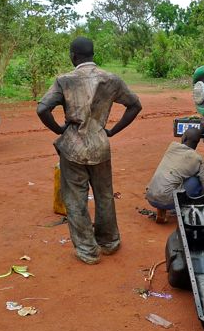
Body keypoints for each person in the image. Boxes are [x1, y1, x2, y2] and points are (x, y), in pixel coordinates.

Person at [37, 36, 142, 265]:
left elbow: (43, 109)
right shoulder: (111, 79)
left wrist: (59, 129)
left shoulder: (65, 80)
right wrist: (112, 131)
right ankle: (109, 242)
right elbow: (135, 105)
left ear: (73, 56)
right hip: (100, 145)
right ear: (93, 55)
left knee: (75, 200)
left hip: (73, 147)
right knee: (105, 195)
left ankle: (87, 251)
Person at [146, 125, 204, 224]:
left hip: (151, 197)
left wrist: (199, 130)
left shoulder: (172, 147)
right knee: (200, 179)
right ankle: (189, 210)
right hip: (169, 201)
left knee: (173, 176)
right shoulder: (199, 160)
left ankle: (161, 211)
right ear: (197, 142)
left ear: (183, 138)